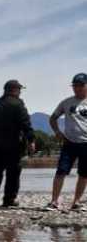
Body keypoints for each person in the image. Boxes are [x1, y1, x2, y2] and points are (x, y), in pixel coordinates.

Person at [0, 79, 35, 207]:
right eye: (19, 90)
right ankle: (9, 199)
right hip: (13, 145)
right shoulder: (18, 104)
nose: (20, 93)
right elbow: (25, 124)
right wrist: (31, 140)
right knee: (13, 172)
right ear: (14, 90)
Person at [46, 73, 87, 211]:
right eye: (75, 86)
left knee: (84, 174)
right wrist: (58, 132)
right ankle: (54, 201)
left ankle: (76, 202)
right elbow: (53, 118)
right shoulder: (66, 102)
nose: (77, 88)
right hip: (69, 142)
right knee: (61, 172)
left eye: (80, 86)